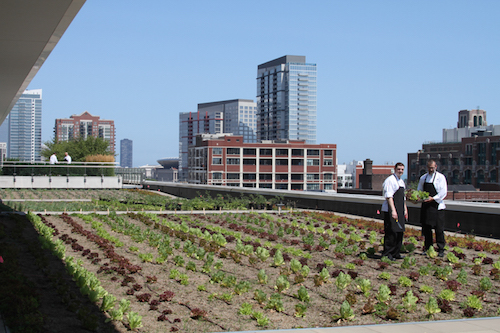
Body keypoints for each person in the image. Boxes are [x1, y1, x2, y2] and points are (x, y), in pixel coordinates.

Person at [418, 159, 447, 257]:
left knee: (439, 229)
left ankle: (441, 249)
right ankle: (428, 248)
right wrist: (420, 198)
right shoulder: (423, 178)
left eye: (432, 167)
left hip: (437, 207)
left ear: (436, 167)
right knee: (426, 229)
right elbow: (419, 190)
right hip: (426, 207)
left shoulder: (441, 178)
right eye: (429, 168)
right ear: (427, 167)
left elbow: (443, 192)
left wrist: (433, 198)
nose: (431, 169)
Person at [381, 162, 408, 260]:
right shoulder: (390, 180)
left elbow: (403, 197)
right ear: (395, 169)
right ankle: (388, 254)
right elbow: (389, 196)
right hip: (390, 210)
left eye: (402, 169)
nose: (400, 171)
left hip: (400, 210)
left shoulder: (401, 182)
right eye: (399, 169)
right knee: (391, 232)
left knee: (399, 232)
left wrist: (405, 209)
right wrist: (393, 211)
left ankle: (396, 252)